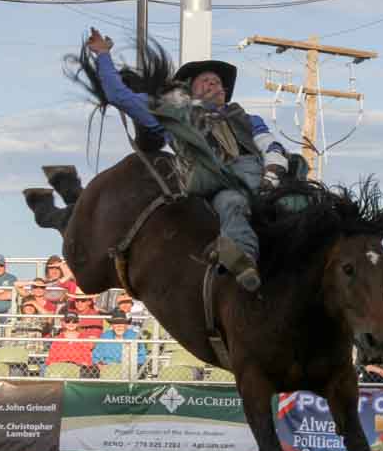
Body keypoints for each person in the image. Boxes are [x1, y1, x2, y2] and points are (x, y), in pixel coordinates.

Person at [86, 28, 288, 292]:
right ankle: (242, 260)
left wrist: (272, 173)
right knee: (232, 201)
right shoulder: (173, 116)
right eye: (205, 80)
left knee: (292, 201)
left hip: (256, 177)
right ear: (189, 90)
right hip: (211, 180)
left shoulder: (248, 120)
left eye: (217, 82)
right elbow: (119, 96)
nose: (214, 84)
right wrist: (103, 55)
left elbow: (271, 146)